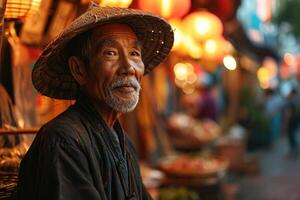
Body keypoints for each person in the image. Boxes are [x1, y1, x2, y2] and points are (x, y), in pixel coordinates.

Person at [16, 3, 173, 200]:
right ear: (79, 70)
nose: (129, 68)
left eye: (134, 54)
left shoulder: (124, 144)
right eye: (111, 53)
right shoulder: (63, 141)